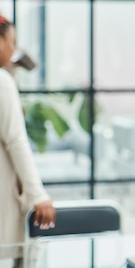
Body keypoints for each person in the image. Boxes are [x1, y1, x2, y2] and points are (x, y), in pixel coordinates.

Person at [0, 14, 56, 268]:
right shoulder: (2, 82)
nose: (14, 50)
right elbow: (15, 140)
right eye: (11, 42)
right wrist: (38, 195)